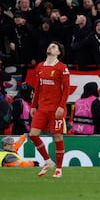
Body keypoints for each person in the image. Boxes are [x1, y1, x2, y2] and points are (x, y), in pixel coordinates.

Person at [28, 41, 70, 178]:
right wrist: (33, 105)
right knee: (33, 134)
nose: (50, 47)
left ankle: (59, 169)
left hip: (55, 109)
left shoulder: (62, 68)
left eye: (54, 47)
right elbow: (37, 88)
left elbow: (66, 90)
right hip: (42, 108)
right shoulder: (40, 66)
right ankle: (47, 161)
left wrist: (61, 107)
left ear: (58, 52)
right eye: (49, 45)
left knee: (57, 136)